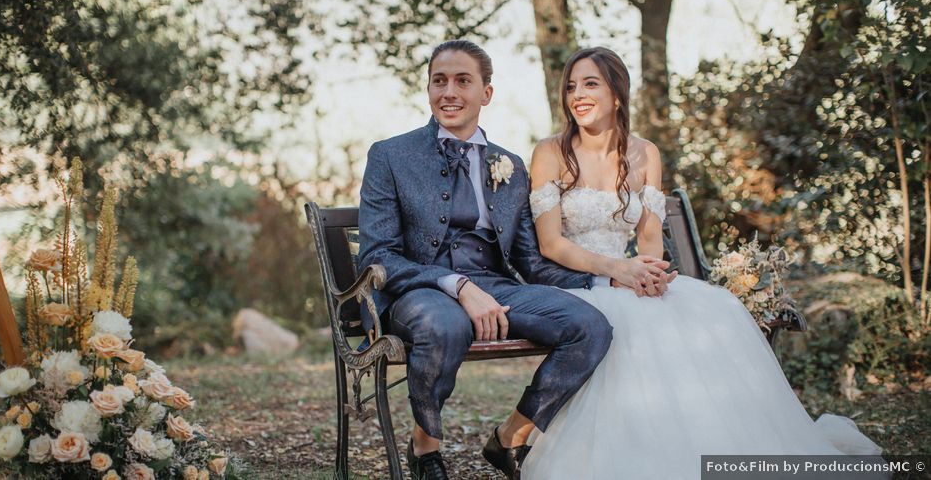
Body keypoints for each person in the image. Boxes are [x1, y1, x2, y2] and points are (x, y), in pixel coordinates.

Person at [521, 46, 882, 479]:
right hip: (575, 281)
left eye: (590, 83)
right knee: (626, 327)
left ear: (618, 94)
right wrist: (616, 272)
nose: (577, 94)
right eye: (572, 86)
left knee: (716, 310)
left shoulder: (645, 153)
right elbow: (550, 244)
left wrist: (647, 275)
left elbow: (650, 238)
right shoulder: (550, 152)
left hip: (628, 277)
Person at [357, 40, 622, 480]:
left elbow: (529, 261)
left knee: (590, 327)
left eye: (463, 81)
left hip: (495, 287)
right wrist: (457, 286)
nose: (449, 92)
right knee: (447, 324)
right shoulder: (390, 155)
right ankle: (425, 450)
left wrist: (603, 280)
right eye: (439, 81)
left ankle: (509, 439)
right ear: (427, 89)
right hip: (418, 291)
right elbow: (378, 254)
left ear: (486, 93)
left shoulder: (511, 166)